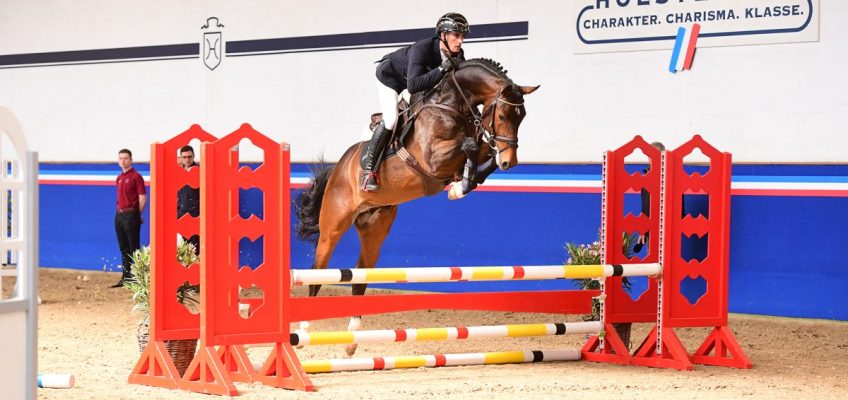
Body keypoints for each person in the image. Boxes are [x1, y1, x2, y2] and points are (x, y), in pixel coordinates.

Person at [360, 12, 470, 191]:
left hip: (415, 81)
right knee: (391, 119)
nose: (460, 41)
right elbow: (413, 85)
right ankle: (368, 171)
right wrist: (442, 68)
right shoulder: (423, 48)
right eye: (456, 36)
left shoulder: (458, 54)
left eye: (463, 37)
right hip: (391, 79)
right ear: (442, 35)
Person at [111, 149, 147, 288]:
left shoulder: (136, 176)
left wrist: (136, 215)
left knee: (134, 248)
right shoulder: (119, 178)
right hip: (119, 215)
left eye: (126, 158)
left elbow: (143, 198)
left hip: (131, 215)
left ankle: (139, 277)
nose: (123, 161)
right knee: (124, 248)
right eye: (121, 158)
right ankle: (126, 277)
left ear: (131, 160)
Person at [633, 141, 665, 254]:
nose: (652, 159)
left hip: (668, 228)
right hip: (652, 228)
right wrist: (643, 229)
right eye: (650, 156)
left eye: (656, 155)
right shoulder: (646, 177)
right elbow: (645, 206)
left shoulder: (670, 176)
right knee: (652, 262)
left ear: (663, 156)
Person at [177, 145, 200, 255]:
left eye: (189, 157)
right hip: (182, 216)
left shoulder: (201, 172)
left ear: (194, 156)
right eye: (184, 157)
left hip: (196, 216)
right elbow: (179, 195)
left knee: (195, 248)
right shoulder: (180, 173)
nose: (187, 159)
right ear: (180, 158)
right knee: (184, 249)